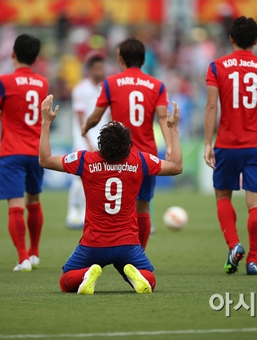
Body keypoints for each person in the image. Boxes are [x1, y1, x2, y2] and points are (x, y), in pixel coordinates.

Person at [39, 94, 182, 294]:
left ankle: (87, 273)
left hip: (93, 243)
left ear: (101, 143)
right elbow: (176, 166)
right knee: (150, 280)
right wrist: (173, 130)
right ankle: (133, 275)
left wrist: (46, 123)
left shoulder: (85, 160)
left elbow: (45, 160)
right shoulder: (138, 160)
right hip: (127, 244)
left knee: (66, 280)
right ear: (128, 144)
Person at [204, 16, 257, 275]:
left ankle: (234, 244)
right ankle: (254, 260)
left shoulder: (216, 67)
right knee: (256, 204)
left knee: (223, 196)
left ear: (231, 39)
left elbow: (212, 106)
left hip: (227, 143)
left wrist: (207, 142)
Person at [82, 37, 171, 250]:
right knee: (143, 207)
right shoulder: (157, 86)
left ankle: (108, 250)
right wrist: (169, 146)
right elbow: (163, 118)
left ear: (121, 60)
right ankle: (139, 257)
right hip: (146, 156)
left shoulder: (110, 83)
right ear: (143, 60)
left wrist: (85, 128)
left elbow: (96, 117)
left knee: (113, 207)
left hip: (119, 154)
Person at [0, 34, 48, 272]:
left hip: (12, 151)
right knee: (34, 201)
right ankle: (35, 253)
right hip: (37, 151)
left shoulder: (3, 82)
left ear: (13, 54)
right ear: (36, 58)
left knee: (15, 206)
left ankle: (23, 258)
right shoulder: (43, 83)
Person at [66, 52, 110, 229]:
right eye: (97, 68)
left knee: (97, 177)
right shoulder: (80, 89)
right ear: (90, 70)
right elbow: (80, 117)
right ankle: (72, 212)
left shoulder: (106, 88)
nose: (100, 71)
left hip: (103, 139)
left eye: (102, 67)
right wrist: (88, 141)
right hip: (84, 139)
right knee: (80, 177)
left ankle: (87, 213)